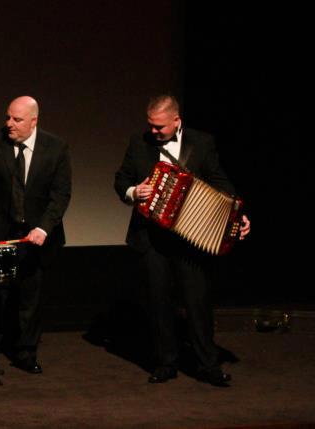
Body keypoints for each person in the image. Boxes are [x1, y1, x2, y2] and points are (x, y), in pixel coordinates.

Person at [114, 94, 250, 387]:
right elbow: (120, 180)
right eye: (150, 125)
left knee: (197, 302)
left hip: (190, 238)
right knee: (158, 302)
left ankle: (208, 365)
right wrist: (134, 192)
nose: (154, 132)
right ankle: (166, 363)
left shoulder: (202, 142)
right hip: (150, 237)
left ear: (177, 120)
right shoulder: (139, 144)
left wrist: (237, 213)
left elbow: (220, 181)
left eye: (160, 127)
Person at [0, 96, 72, 373]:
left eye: (17, 119)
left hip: (35, 235)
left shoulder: (56, 148)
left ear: (34, 121)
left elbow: (60, 196)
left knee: (30, 297)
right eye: (7, 118)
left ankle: (26, 352)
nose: (9, 124)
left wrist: (43, 227)